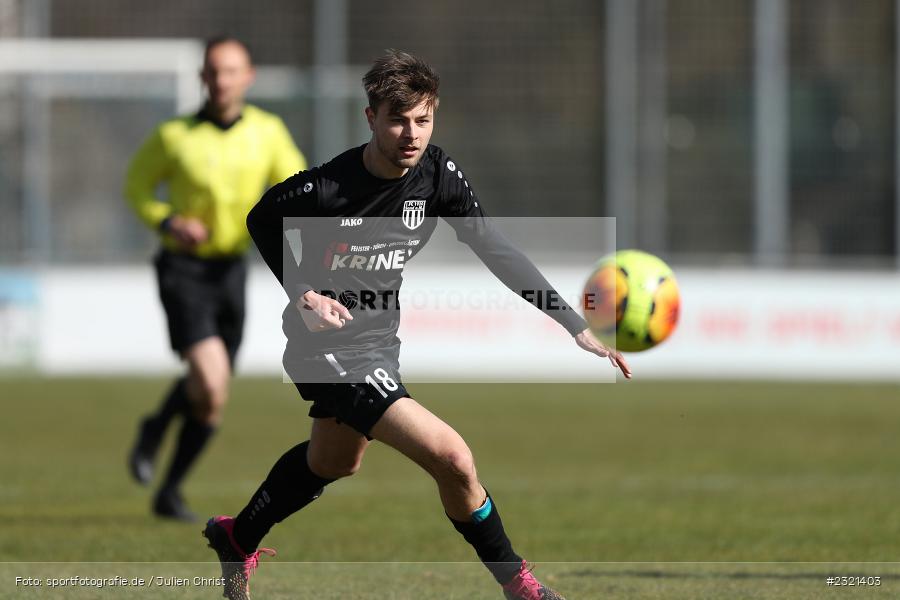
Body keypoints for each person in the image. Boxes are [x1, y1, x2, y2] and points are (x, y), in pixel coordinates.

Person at [203, 50, 630, 600]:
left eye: (423, 119)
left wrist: (570, 322)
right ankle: (518, 583)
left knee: (333, 461)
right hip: (325, 347)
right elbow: (260, 218)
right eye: (398, 119)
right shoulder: (327, 187)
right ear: (371, 119)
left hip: (379, 345)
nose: (412, 133)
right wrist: (304, 293)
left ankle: (238, 536)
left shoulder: (437, 177)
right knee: (452, 457)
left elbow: (493, 247)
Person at [124, 36, 307, 521]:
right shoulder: (174, 135)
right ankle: (156, 433)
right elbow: (137, 186)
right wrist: (168, 220)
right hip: (183, 268)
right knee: (210, 376)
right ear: (203, 78)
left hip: (231, 270)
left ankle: (167, 482)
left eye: (231, 71)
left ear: (247, 77)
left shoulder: (267, 132)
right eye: (213, 71)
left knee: (212, 399)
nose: (221, 80)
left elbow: (298, 185)